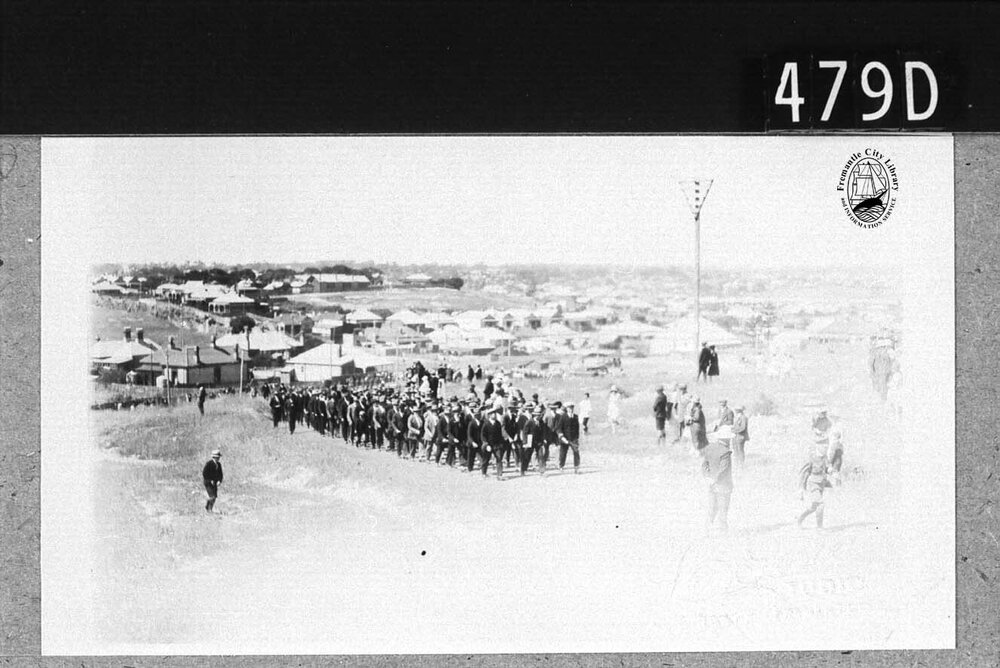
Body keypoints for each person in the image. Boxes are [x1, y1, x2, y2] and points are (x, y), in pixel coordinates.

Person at [700, 433, 733, 532]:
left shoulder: (710, 448)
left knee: (712, 509)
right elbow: (724, 469)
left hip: (711, 485)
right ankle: (723, 532)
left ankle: (706, 529)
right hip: (723, 486)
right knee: (723, 510)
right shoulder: (725, 452)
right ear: (727, 439)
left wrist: (708, 477)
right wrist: (715, 479)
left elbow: (704, 465)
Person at [798, 444, 832, 529]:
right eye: (823, 447)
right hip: (813, 484)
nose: (825, 449)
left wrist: (830, 470)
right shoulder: (812, 458)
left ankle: (800, 519)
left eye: (826, 447)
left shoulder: (825, 458)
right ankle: (819, 527)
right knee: (820, 504)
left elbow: (826, 468)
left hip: (821, 484)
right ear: (818, 448)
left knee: (813, 507)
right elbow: (805, 473)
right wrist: (801, 488)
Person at [558, 403, 581, 473]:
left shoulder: (576, 417)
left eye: (572, 408)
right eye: (569, 408)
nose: (571, 409)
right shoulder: (563, 417)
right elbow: (559, 428)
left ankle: (576, 467)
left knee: (576, 452)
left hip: (573, 438)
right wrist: (562, 437)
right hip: (565, 438)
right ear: (567, 409)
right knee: (563, 453)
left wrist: (577, 437)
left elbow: (577, 428)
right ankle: (561, 466)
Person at [202, 449, 224, 513]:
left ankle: (210, 509)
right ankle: (207, 507)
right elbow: (204, 473)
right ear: (214, 457)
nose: (218, 458)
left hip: (215, 483)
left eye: (219, 457)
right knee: (212, 497)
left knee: (214, 497)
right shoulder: (209, 464)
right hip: (208, 483)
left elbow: (220, 474)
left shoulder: (219, 464)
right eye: (217, 457)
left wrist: (219, 481)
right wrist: (210, 480)